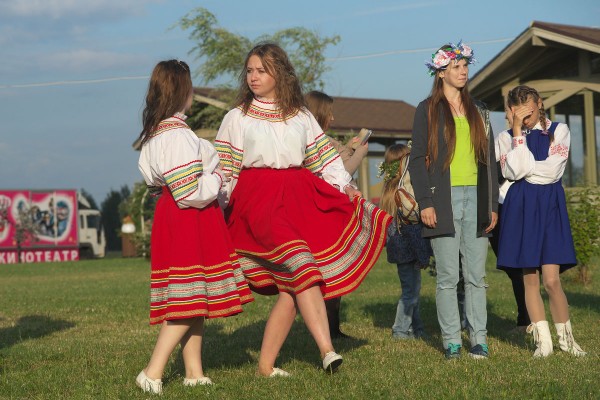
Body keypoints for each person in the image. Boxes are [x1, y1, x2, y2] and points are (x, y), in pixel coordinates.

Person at [215, 42, 391, 376]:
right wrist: (217, 208)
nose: (253, 76)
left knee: (291, 288)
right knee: (303, 266)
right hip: (258, 201)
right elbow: (225, 168)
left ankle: (265, 367)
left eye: (261, 70)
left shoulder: (301, 115)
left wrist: (347, 189)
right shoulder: (237, 117)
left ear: (279, 73)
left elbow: (324, 159)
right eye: (250, 71)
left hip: (297, 197)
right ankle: (326, 350)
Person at [136, 59, 254, 394]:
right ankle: (153, 370)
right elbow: (189, 192)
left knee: (194, 295)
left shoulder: (157, 132)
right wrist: (218, 177)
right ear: (182, 91)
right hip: (189, 217)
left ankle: (193, 370)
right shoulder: (178, 136)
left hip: (174, 215)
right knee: (187, 300)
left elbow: (154, 179)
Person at [409, 41, 498, 359]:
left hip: (476, 200)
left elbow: (490, 160)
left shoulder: (481, 110)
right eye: (456, 67)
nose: (463, 72)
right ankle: (451, 342)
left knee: (477, 276)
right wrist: (426, 202)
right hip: (441, 200)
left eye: (465, 66)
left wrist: (492, 205)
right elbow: (417, 159)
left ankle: (479, 340)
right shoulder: (427, 109)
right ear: (440, 72)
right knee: (448, 276)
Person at [496, 85, 586, 357]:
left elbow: (553, 170)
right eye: (518, 111)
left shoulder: (559, 131)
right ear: (511, 112)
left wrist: (526, 170)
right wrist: (517, 134)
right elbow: (513, 171)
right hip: (520, 207)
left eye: (530, 109)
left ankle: (567, 340)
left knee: (551, 279)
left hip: (549, 207)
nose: (526, 116)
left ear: (540, 103)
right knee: (529, 278)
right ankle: (543, 342)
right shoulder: (505, 137)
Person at [304, 90, 370, 339]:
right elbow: (339, 174)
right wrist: (360, 154)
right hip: (321, 212)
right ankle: (327, 328)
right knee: (327, 269)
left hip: (323, 211)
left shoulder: (324, 142)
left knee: (329, 270)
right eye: (329, 112)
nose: (332, 117)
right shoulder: (317, 144)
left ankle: (331, 327)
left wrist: (350, 149)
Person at [378, 144, 432, 340]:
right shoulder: (405, 196)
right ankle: (400, 330)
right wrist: (422, 255)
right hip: (409, 249)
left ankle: (416, 329)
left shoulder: (388, 193)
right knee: (410, 292)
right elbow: (412, 230)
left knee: (412, 290)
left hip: (398, 251)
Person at [491, 107, 530, 332]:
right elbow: (496, 172)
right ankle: (525, 319)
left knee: (527, 267)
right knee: (511, 266)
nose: (510, 112)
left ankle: (529, 320)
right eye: (510, 108)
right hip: (503, 206)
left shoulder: (541, 134)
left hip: (527, 206)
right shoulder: (502, 138)